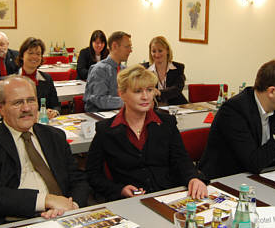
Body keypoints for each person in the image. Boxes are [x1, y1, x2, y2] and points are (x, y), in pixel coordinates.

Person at [0, 75, 89, 227]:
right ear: (0, 108)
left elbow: (78, 180)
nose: (27, 108)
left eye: (31, 100)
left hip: (62, 215)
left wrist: (73, 206)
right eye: (18, 103)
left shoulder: (54, 136)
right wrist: (46, 200)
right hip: (14, 223)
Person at [86, 64, 208, 201]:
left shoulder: (167, 123)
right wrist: (119, 190)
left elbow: (181, 160)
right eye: (138, 91)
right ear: (122, 94)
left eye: (149, 90)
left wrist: (193, 178)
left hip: (168, 196)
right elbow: (92, 174)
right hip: (129, 202)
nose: (145, 97)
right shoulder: (106, 130)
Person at [198, 59, 275, 180]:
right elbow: (253, 163)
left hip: (263, 176)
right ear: (272, 91)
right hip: (226, 179)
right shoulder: (234, 110)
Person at [83, 31, 132, 112]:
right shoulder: (99, 70)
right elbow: (99, 99)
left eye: (131, 47)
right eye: (127, 47)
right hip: (99, 116)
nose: (130, 51)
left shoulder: (124, 70)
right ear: (115, 46)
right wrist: (127, 102)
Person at [16, 37, 60, 118]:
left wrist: (54, 112)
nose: (34, 57)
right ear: (22, 56)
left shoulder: (46, 78)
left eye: (38, 54)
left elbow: (56, 105)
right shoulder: (12, 80)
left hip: (44, 123)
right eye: (30, 53)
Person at [142, 36, 188, 105]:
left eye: (160, 51)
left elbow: (177, 89)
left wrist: (159, 93)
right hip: (153, 108)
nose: (157, 55)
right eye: (153, 51)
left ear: (167, 51)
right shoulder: (144, 69)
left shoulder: (178, 68)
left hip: (176, 106)